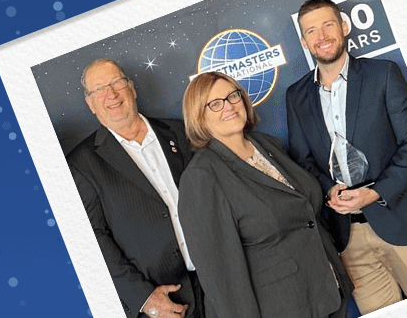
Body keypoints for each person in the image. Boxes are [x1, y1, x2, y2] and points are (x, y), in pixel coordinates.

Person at [281, 0, 407, 312]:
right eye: (311, 31)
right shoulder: (296, 96)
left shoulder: (383, 74)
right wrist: (329, 189)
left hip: (403, 223)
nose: (322, 36)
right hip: (349, 238)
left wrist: (375, 193)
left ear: (344, 27)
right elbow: (302, 163)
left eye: (328, 24)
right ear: (304, 41)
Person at [178, 72, 350, 318]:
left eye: (233, 96)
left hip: (329, 290)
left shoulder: (267, 145)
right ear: (198, 116)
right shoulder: (201, 177)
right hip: (284, 307)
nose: (229, 106)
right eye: (215, 104)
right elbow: (222, 276)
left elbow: (302, 209)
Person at [65, 59, 205, 318]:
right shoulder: (81, 164)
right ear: (90, 104)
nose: (111, 94)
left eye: (117, 82)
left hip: (216, 281)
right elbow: (93, 239)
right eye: (99, 89)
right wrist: (143, 298)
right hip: (164, 300)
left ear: (132, 88)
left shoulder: (179, 131)